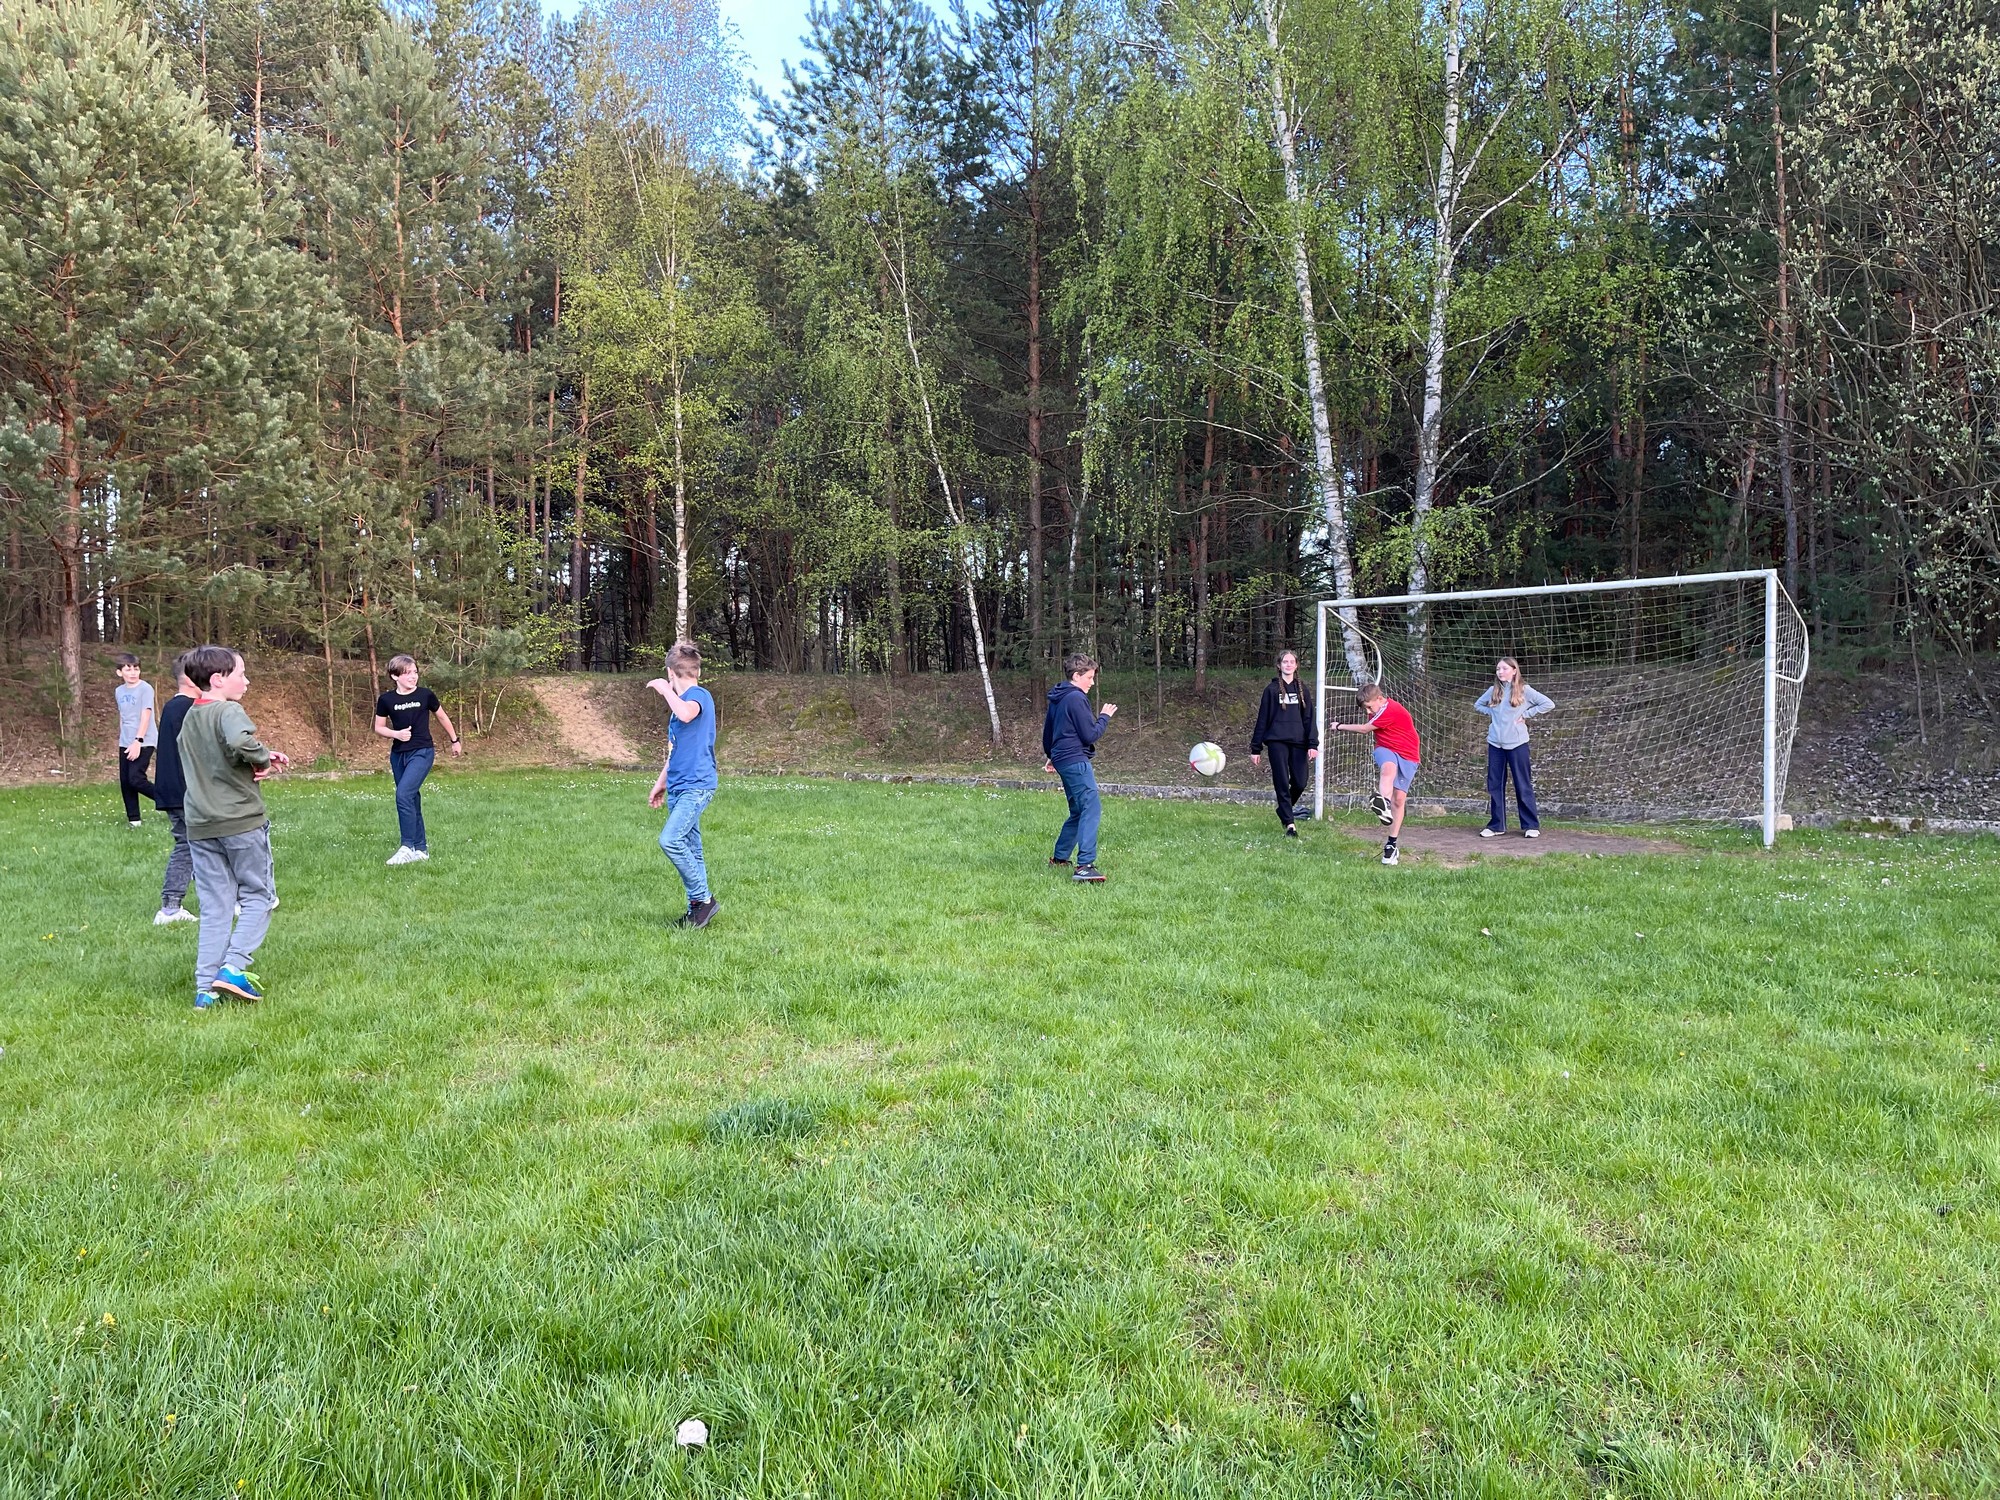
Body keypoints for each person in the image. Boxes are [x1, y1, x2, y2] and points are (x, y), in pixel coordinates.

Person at [179, 645, 289, 1008]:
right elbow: (240, 740)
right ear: (218, 679)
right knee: (259, 897)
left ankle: (205, 991)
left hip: (200, 824)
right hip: (240, 821)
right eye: (241, 674)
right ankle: (232, 968)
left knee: (215, 907)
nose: (247, 681)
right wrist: (262, 760)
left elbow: (217, 754)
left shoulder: (190, 716)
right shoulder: (228, 710)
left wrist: (260, 754)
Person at [647, 641, 720, 928]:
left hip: (697, 785)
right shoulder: (679, 708)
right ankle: (697, 911)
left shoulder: (699, 696)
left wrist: (664, 690)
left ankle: (704, 900)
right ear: (697, 670)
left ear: (670, 672)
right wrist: (660, 784)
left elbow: (688, 713)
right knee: (692, 848)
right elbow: (675, 752)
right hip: (678, 786)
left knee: (670, 840)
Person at [373, 654, 463, 865]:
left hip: (422, 752)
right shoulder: (386, 700)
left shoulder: (425, 695)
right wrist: (396, 734)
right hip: (398, 755)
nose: (413, 677)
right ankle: (421, 850)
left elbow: (442, 716)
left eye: (415, 672)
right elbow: (378, 727)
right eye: (408, 673)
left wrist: (455, 740)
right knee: (411, 798)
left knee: (403, 794)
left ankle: (407, 847)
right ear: (395, 676)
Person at [1042, 652, 1117, 883]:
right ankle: (1085, 866)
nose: (1092, 683)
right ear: (1076, 676)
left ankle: (1060, 858)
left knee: (1077, 810)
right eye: (1090, 677)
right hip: (1075, 760)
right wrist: (1104, 717)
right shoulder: (1076, 698)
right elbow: (1089, 735)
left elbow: (1048, 732)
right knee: (1091, 807)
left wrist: (1052, 756)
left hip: (1063, 758)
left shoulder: (1059, 697)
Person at [1334, 682, 1421, 865]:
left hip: (1408, 754)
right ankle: (1384, 803)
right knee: (1388, 769)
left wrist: (1339, 725)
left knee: (1400, 799)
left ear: (1380, 699)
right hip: (1385, 748)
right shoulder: (1378, 708)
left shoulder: (1391, 710)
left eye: (1369, 707)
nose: (1368, 712)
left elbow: (1364, 729)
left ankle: (1391, 844)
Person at [1474, 656, 1554, 839]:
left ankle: (1530, 825)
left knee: (1522, 784)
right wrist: (1492, 713)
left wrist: (1526, 714)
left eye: (1504, 668)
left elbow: (1548, 704)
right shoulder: (1493, 691)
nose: (1500, 672)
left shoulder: (1525, 690)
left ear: (1514, 670)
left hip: (1517, 744)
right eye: (1498, 669)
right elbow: (1478, 705)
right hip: (1495, 744)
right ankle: (1497, 825)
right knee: (1495, 784)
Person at [150, 654, 199, 925]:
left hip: (174, 790)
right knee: (190, 845)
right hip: (186, 792)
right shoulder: (189, 709)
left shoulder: (172, 707)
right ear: (191, 678)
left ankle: (225, 898)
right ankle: (170, 907)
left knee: (197, 845)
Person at [1249, 649, 1319, 836]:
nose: (1288, 665)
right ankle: (1290, 824)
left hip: (1299, 742)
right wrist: (1256, 748)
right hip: (1277, 742)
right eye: (1285, 662)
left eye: (1291, 662)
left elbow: (1309, 719)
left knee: (1300, 782)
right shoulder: (1271, 690)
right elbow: (1262, 719)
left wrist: (1312, 744)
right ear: (1279, 666)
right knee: (1281, 782)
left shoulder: (1302, 690)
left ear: (1296, 666)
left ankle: (1283, 809)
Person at [112, 653, 157, 825]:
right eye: (128, 669)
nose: (133, 673)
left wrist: (138, 740)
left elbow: (146, 714)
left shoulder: (145, 688)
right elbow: (123, 716)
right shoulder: (119, 691)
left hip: (144, 740)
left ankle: (171, 801)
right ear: (119, 672)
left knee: (136, 779)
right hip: (126, 741)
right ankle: (134, 820)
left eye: (136, 669)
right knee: (126, 781)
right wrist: (124, 739)